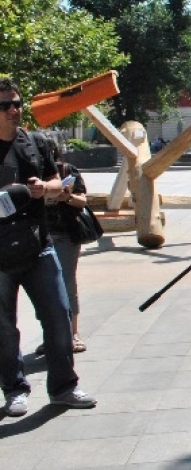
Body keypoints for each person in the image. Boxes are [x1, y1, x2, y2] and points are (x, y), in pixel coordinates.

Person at [0, 77, 96, 417]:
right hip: (1, 254)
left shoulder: (34, 142)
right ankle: (15, 390)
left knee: (59, 315)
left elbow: (59, 183)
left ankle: (64, 387)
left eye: (17, 103)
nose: (13, 110)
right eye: (5, 105)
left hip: (39, 246)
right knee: (4, 327)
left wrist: (45, 187)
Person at [40, 136, 90, 354]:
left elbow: (82, 201)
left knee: (66, 282)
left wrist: (66, 198)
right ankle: (51, 336)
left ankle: (73, 333)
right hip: (39, 236)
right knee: (42, 288)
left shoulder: (68, 170)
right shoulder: (31, 173)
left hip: (65, 235)